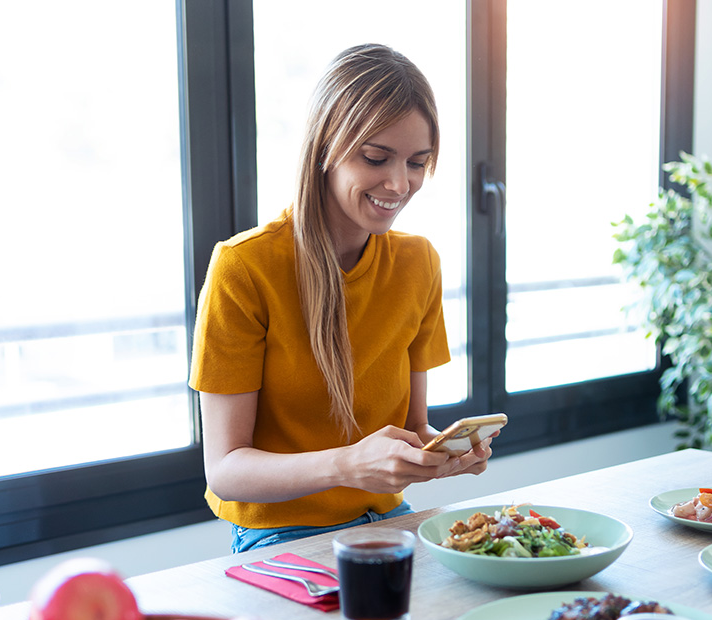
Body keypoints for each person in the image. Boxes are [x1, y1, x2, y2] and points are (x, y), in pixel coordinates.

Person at [188, 43, 497, 553]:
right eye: (375, 158)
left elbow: (414, 427)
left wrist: (441, 455)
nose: (399, 184)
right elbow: (225, 470)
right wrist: (348, 464)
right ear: (325, 147)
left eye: (417, 163)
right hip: (280, 535)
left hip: (389, 520)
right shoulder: (243, 268)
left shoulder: (418, 262)